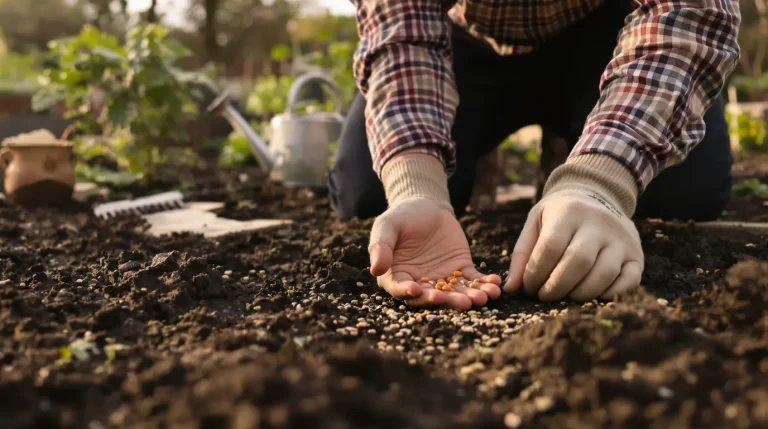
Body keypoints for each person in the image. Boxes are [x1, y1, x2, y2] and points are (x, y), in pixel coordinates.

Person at [327, 0, 741, 310]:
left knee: (684, 193)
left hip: (608, 34)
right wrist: (417, 187)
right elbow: (399, 33)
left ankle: (575, 144)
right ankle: (479, 151)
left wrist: (599, 181)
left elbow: (689, 16)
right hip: (462, 40)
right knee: (367, 195)